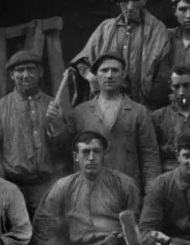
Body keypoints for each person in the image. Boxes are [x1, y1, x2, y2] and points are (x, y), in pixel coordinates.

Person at [61, 52, 161, 193]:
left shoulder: (139, 112)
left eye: (115, 70)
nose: (109, 75)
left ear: (123, 75)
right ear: (96, 75)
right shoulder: (80, 112)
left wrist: (151, 192)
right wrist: (55, 125)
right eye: (104, 70)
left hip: (127, 190)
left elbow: (150, 156)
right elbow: (64, 148)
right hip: (89, 191)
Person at [71, 0, 171, 109]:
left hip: (142, 104)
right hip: (106, 104)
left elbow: (163, 75)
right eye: (125, 1)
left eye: (135, 0)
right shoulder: (105, 28)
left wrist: (149, 106)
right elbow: (81, 60)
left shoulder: (157, 30)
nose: (130, 7)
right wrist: (90, 76)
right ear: (118, 3)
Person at [0, 50, 66, 217]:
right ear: (11, 75)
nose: (25, 75)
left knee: (45, 230)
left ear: (40, 73)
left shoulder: (53, 105)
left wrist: (58, 125)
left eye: (31, 69)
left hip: (46, 186)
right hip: (13, 186)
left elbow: (63, 150)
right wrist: (0, 186)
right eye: (20, 70)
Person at [150, 65, 190, 172]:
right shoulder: (158, 117)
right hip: (169, 173)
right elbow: (152, 155)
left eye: (186, 86)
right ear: (170, 86)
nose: (181, 92)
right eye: (176, 86)